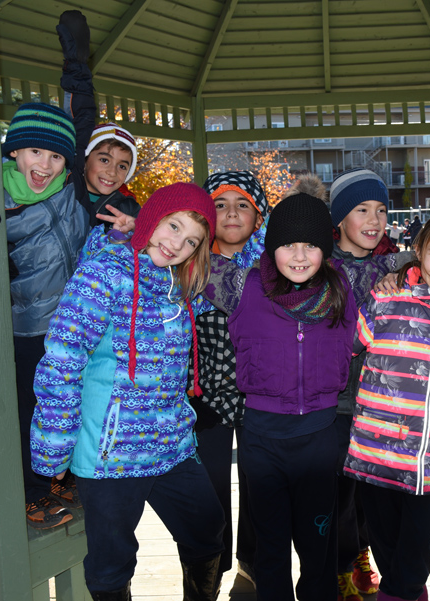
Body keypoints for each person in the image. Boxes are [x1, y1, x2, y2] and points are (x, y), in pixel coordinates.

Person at [0, 11, 135, 530]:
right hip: (27, 329)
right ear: (14, 151)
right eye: (33, 152)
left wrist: (77, 66)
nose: (43, 166)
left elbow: (81, 122)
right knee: (32, 409)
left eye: (56, 157)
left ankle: (61, 477)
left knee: (75, 401)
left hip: (75, 325)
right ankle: (28, 490)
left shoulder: (72, 191)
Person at [31, 183, 225, 600]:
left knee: (207, 530)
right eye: (172, 226)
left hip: (170, 444)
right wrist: (54, 447)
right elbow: (62, 361)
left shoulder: (182, 286)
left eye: (191, 239)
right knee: (111, 561)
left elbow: (243, 269)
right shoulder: (103, 274)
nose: (177, 244)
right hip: (110, 452)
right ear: (152, 218)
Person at [201, 193, 358, 601]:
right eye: (289, 244)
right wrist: (136, 232)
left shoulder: (342, 286)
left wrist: (403, 268)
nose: (300, 256)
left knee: (317, 547)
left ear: (327, 246)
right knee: (270, 550)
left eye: (311, 244)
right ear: (272, 246)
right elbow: (181, 254)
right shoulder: (243, 286)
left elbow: (399, 268)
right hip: (263, 439)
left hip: (320, 437)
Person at [344, 212, 430, 601]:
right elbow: (346, 347)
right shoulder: (386, 298)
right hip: (377, 447)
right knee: (388, 548)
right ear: (418, 250)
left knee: (417, 551)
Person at [328, 168, 405, 600]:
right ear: (340, 218)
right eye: (362, 209)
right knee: (337, 491)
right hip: (334, 401)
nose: (374, 219)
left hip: (380, 400)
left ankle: (361, 554)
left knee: (370, 492)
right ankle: (338, 565)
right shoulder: (316, 264)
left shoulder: (393, 266)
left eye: (381, 209)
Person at [191, 170, 269, 587]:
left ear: (258, 216)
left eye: (243, 204)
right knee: (210, 488)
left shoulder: (275, 264)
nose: (232, 213)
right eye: (220, 204)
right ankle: (209, 572)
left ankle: (252, 569)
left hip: (260, 394)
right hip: (204, 396)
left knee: (259, 485)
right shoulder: (187, 260)